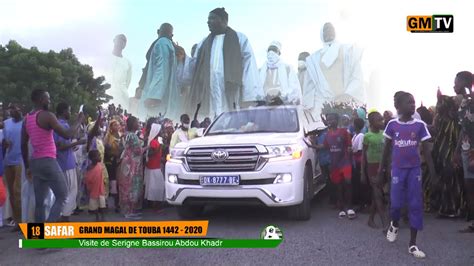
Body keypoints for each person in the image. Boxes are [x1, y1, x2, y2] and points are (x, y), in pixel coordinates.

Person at [379, 91, 436, 258]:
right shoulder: (392, 125)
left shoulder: (420, 125)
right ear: (398, 106)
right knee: (396, 204)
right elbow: (386, 149)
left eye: (414, 102)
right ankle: (394, 223)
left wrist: (433, 173)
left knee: (415, 204)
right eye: (409, 103)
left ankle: (412, 244)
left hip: (414, 170)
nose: (413, 105)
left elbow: (426, 150)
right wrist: (381, 170)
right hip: (397, 169)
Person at [178, 7, 264, 118]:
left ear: (223, 20)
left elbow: (249, 67)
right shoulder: (204, 43)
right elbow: (195, 68)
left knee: (231, 120)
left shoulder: (239, 38)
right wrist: (183, 58)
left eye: (212, 18)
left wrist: (250, 96)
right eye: (208, 19)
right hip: (209, 93)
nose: (208, 22)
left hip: (231, 92)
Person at [21, 89, 85, 222]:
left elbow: (23, 145)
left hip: (35, 163)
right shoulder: (47, 116)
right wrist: (79, 120)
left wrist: (27, 166)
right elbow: (67, 134)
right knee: (63, 195)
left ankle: (39, 236)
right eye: (47, 98)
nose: (49, 101)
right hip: (48, 161)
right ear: (40, 100)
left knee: (40, 202)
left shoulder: (27, 119)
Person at [303, 22, 364, 119]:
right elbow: (311, 89)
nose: (329, 32)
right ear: (321, 35)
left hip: (349, 103)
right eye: (325, 30)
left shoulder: (349, 51)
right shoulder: (314, 60)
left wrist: (346, 95)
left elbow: (357, 77)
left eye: (331, 29)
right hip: (327, 108)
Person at [141, 23, 181, 120]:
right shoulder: (170, 45)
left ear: (158, 31)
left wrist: (155, 95)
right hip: (166, 95)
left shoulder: (162, 43)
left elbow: (161, 68)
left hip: (157, 98)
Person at [320, 113, 356, 219]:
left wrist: (349, 150)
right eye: (328, 120)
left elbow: (350, 146)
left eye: (331, 119)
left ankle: (349, 207)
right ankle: (341, 208)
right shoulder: (327, 135)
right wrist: (311, 145)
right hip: (334, 164)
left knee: (348, 183)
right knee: (338, 186)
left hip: (345, 163)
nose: (330, 121)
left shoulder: (344, 132)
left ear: (337, 120)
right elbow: (324, 146)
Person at [54, 103, 85, 222]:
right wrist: (78, 143)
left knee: (67, 192)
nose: (70, 113)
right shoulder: (60, 125)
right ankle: (64, 218)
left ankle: (63, 217)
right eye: (69, 110)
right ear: (63, 111)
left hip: (64, 162)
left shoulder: (61, 124)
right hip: (65, 165)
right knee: (70, 192)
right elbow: (61, 147)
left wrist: (72, 146)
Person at [455, 71, 474, 233]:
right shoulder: (463, 104)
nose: (454, 86)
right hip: (465, 149)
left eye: (456, 82)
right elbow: (463, 128)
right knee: (469, 185)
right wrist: (456, 150)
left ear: (465, 83)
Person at [361, 111, 387, 228]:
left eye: (382, 119)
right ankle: (385, 223)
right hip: (372, 167)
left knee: (376, 195)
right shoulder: (367, 136)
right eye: (379, 120)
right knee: (378, 195)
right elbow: (363, 156)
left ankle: (370, 219)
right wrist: (362, 172)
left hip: (383, 166)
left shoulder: (384, 134)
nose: (382, 122)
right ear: (371, 123)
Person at [117, 116, 145, 219]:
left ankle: (126, 210)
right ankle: (129, 212)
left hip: (126, 163)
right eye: (137, 122)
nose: (138, 124)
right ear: (133, 124)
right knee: (131, 187)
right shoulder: (133, 136)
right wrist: (147, 147)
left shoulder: (126, 135)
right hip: (132, 165)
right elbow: (138, 150)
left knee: (125, 186)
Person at [2, 104, 23, 230]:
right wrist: (5, 143)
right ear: (10, 111)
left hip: (21, 160)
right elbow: (4, 141)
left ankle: (24, 221)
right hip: (8, 161)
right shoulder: (6, 123)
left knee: (18, 192)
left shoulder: (26, 122)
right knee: (11, 193)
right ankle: (17, 222)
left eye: (18, 107)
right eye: (13, 108)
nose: (16, 110)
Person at [108, 34, 132, 111]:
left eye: (124, 41)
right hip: (106, 94)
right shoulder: (105, 57)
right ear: (114, 40)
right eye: (120, 39)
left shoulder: (127, 62)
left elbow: (128, 81)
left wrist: (121, 90)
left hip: (121, 97)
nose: (122, 42)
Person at [144, 122, 165, 208]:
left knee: (155, 186)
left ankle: (154, 204)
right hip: (153, 167)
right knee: (156, 186)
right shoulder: (153, 142)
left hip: (156, 165)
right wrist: (159, 147)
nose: (162, 132)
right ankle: (154, 205)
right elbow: (150, 154)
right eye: (161, 131)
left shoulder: (157, 141)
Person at [104, 120, 122, 213]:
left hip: (118, 162)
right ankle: (105, 203)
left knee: (117, 183)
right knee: (109, 182)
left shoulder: (120, 135)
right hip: (110, 162)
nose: (117, 126)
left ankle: (117, 204)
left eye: (117, 125)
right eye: (115, 125)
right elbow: (106, 148)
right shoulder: (108, 136)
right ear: (111, 127)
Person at [84, 150, 106, 221]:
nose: (100, 157)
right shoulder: (89, 168)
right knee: (94, 206)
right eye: (98, 156)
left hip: (101, 189)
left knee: (102, 205)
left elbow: (103, 176)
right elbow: (87, 179)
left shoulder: (100, 165)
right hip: (93, 190)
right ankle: (97, 217)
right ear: (92, 158)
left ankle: (102, 217)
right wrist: (87, 189)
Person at [351, 118, 366, 209]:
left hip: (359, 162)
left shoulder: (360, 135)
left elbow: (360, 150)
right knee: (356, 182)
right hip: (355, 161)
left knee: (360, 183)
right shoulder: (355, 135)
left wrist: (351, 152)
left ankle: (362, 203)